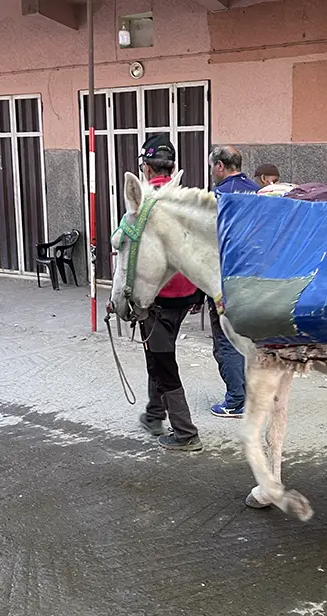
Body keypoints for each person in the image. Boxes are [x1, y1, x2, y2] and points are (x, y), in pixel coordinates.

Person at [136, 134, 204, 451]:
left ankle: (186, 433)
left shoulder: (145, 204)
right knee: (158, 352)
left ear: (146, 169)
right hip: (186, 294)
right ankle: (154, 413)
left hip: (156, 298)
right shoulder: (186, 200)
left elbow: (133, 255)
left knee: (162, 361)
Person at [207, 146, 259, 418]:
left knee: (226, 341)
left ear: (219, 166)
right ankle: (252, 395)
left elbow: (208, 241)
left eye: (211, 167)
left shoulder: (218, 196)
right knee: (249, 338)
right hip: (254, 277)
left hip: (224, 280)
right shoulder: (256, 191)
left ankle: (236, 400)